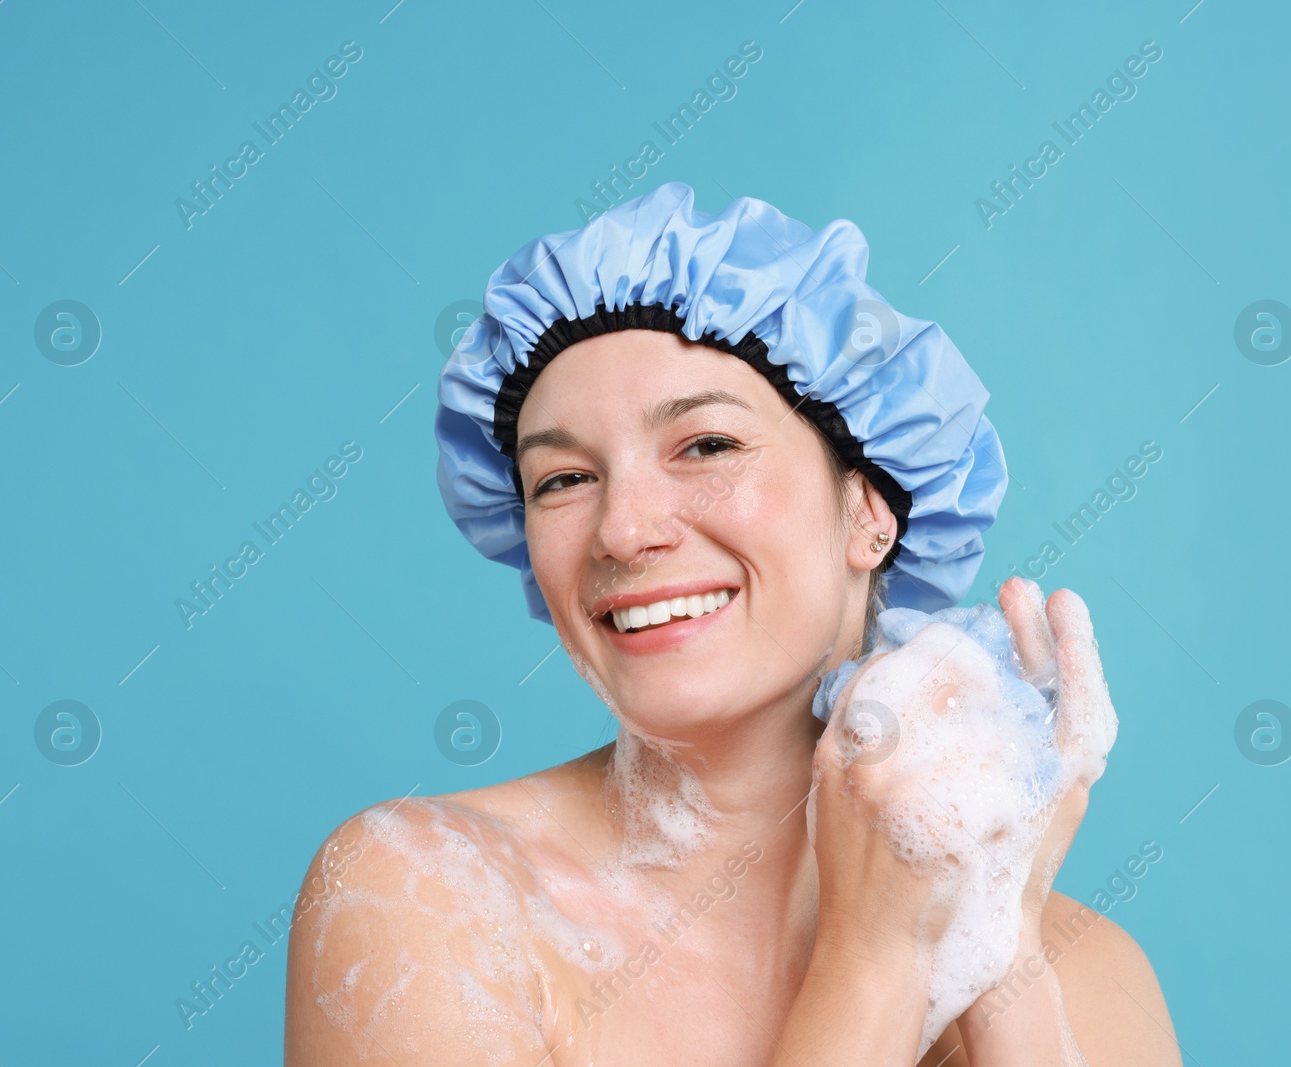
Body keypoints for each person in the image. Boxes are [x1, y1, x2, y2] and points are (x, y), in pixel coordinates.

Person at [284, 182, 1181, 1065]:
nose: (624, 530)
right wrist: (872, 960)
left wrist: (1002, 952)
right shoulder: (426, 896)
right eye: (561, 479)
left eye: (706, 446)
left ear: (873, 508)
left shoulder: (1092, 969)